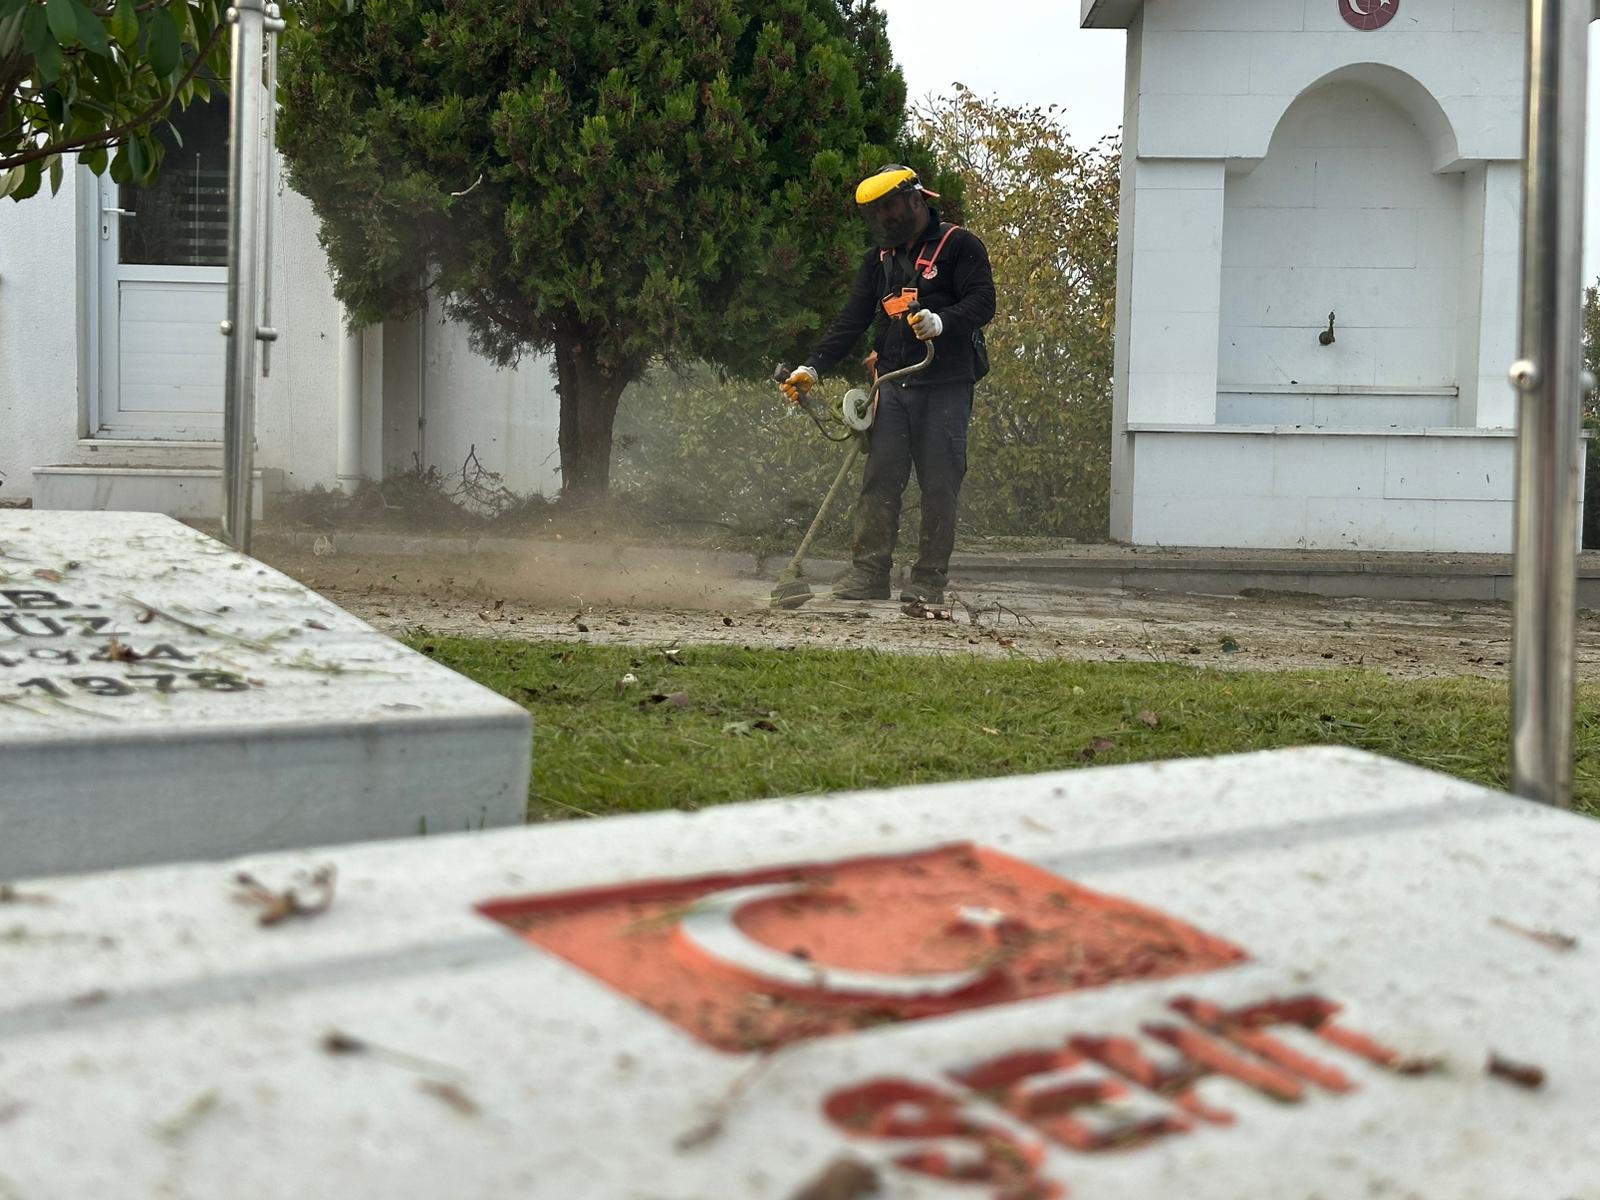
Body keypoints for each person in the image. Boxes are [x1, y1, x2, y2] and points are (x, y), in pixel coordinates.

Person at [780, 165, 996, 605]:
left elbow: (983, 302)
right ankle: (869, 574)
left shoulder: (959, 246)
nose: (883, 218)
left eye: (889, 207)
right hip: (892, 386)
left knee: (940, 483)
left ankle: (928, 581)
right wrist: (813, 368)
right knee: (879, 479)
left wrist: (943, 321)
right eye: (875, 212)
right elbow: (851, 320)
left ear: (916, 200)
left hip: (946, 385)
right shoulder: (878, 261)